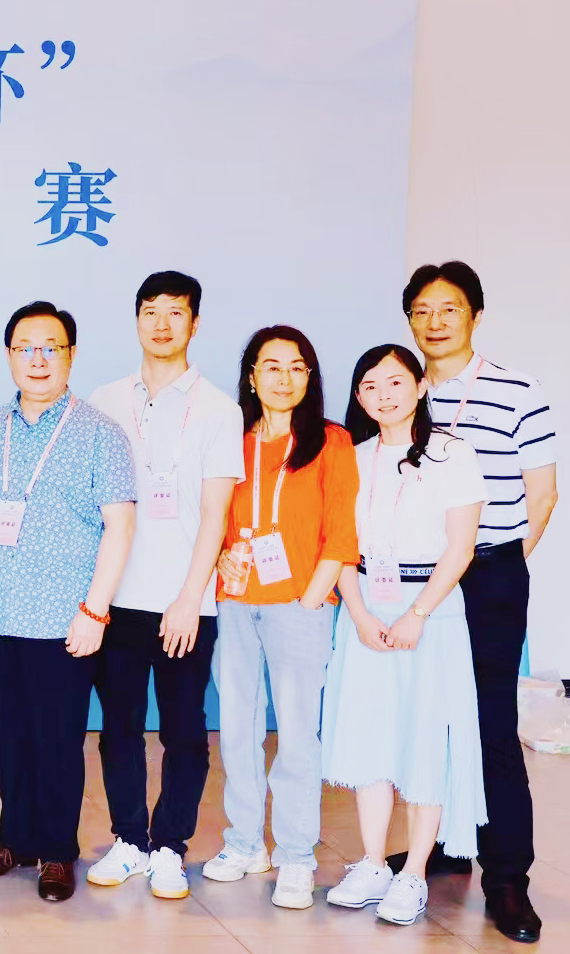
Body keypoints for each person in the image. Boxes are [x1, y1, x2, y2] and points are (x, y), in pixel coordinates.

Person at [392, 261, 556, 943]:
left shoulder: (518, 390)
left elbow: (542, 494)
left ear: (475, 316)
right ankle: (445, 844)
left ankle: (508, 878)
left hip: (488, 576)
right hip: (413, 579)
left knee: (490, 725)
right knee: (426, 716)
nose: (435, 322)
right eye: (422, 311)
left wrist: (497, 567)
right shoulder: (400, 387)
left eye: (449, 309)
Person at [0, 301, 136, 904]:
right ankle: (15, 839)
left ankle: (58, 850)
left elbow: (120, 527)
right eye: (25, 348)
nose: (37, 359)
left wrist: (95, 610)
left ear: (71, 354)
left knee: (58, 742)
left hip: (66, 621)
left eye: (51, 347)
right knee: (7, 738)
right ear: (9, 355)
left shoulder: (100, 433)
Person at [84, 273, 242, 899]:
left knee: (183, 731)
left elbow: (216, 515)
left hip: (185, 603)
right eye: (150, 311)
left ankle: (171, 845)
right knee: (118, 727)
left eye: (175, 312)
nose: (161, 324)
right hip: (118, 599)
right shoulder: (105, 400)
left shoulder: (218, 409)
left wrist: (188, 598)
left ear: (194, 323)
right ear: (136, 320)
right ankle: (129, 840)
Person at [322, 344, 488, 926]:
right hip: (366, 608)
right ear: (359, 396)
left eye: (395, 382)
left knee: (425, 739)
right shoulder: (353, 456)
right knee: (370, 737)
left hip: (430, 612)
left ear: (420, 387)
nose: (383, 394)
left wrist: (417, 613)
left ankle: (414, 871)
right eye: (370, 385)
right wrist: (359, 613)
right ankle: (373, 863)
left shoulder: (453, 454)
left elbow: (460, 548)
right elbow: (340, 545)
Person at [202, 325, 358, 911]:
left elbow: (341, 531)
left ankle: (296, 856)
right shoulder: (231, 439)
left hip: (300, 606)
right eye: (272, 366)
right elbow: (214, 516)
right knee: (237, 727)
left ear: (309, 377)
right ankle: (244, 843)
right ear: (251, 376)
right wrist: (222, 562)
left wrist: (311, 598)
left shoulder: (331, 441)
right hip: (236, 601)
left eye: (297, 367)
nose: (284, 378)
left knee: (296, 734)